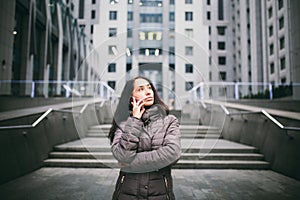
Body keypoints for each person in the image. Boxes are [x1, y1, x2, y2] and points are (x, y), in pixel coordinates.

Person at [108, 76, 181, 200]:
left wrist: (130, 165)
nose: (148, 92)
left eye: (149, 88)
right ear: (130, 97)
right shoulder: (124, 124)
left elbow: (172, 153)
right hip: (127, 193)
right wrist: (135, 120)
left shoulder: (169, 121)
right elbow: (123, 155)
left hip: (160, 193)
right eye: (140, 89)